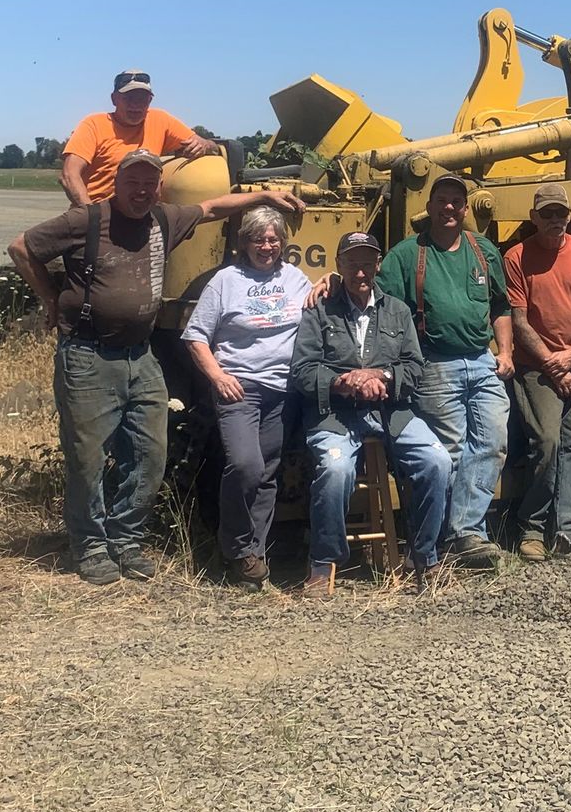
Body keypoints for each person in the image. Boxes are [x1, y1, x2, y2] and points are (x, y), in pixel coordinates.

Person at [8, 149, 304, 586]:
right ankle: (90, 545)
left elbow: (210, 207)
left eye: (150, 183)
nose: (143, 190)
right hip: (88, 354)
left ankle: (126, 540)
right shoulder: (87, 220)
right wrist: (51, 297)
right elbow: (21, 247)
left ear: (158, 187)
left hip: (140, 353)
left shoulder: (162, 219)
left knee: (150, 451)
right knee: (88, 456)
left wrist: (269, 194)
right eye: (134, 182)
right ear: (118, 183)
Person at [290, 231, 451, 598]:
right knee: (335, 469)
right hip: (336, 413)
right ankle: (323, 562)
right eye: (352, 262)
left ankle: (425, 556)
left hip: (390, 411)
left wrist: (382, 375)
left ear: (378, 264)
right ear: (339, 265)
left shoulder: (397, 310)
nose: (360, 271)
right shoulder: (318, 311)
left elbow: (414, 366)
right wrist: (343, 382)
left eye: (367, 262)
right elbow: (302, 370)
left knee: (437, 461)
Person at [376, 172, 513, 571]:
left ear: (466, 208)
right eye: (442, 201)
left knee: (492, 442)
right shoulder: (406, 255)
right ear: (430, 207)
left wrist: (504, 351)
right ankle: (456, 537)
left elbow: (501, 306)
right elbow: (385, 309)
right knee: (451, 451)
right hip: (435, 365)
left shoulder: (483, 249)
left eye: (456, 201)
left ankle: (464, 532)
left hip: (482, 360)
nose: (449, 207)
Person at [182, 204, 312, 589]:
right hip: (239, 388)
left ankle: (253, 554)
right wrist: (218, 376)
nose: (266, 245)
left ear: (283, 243)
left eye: (273, 239)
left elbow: (321, 296)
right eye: (258, 239)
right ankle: (236, 547)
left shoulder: (295, 278)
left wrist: (330, 280)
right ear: (245, 244)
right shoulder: (226, 281)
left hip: (280, 390)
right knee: (245, 466)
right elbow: (195, 336)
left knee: (269, 472)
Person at [504, 182, 571, 562]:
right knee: (547, 444)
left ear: (569, 216)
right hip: (536, 369)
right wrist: (553, 362)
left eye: (560, 213)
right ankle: (531, 529)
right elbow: (518, 320)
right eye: (546, 214)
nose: (555, 220)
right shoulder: (517, 256)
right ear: (533, 218)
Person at [61, 69, 220, 208]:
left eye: (142, 99)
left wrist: (204, 145)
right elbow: (69, 174)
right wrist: (91, 216)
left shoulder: (161, 120)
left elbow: (209, 144)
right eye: (129, 98)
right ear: (114, 99)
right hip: (97, 210)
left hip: (139, 215)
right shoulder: (94, 124)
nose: (135, 105)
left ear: (150, 100)